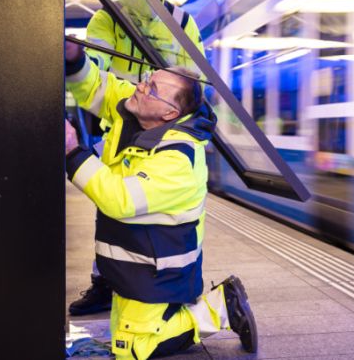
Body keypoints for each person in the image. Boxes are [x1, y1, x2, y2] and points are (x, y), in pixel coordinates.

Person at [64, 53, 257, 359]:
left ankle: (221, 306)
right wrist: (73, 59)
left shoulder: (178, 159)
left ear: (169, 113)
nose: (140, 87)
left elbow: (120, 199)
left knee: (134, 350)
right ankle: (165, 315)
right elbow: (95, 86)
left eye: (152, 88)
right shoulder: (138, 107)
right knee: (120, 339)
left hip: (159, 275)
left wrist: (73, 153)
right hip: (135, 267)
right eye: (146, 80)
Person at [71, 0, 206, 316]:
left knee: (151, 209)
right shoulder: (107, 17)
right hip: (119, 122)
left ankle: (178, 281)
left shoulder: (180, 21)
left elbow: (193, 76)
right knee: (110, 204)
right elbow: (94, 62)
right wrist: (75, 58)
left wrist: (162, 99)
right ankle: (105, 283)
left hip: (161, 123)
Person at [85, 0, 204, 81]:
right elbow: (96, 59)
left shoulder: (182, 22)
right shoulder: (109, 15)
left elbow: (194, 75)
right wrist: (79, 63)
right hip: (118, 100)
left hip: (160, 101)